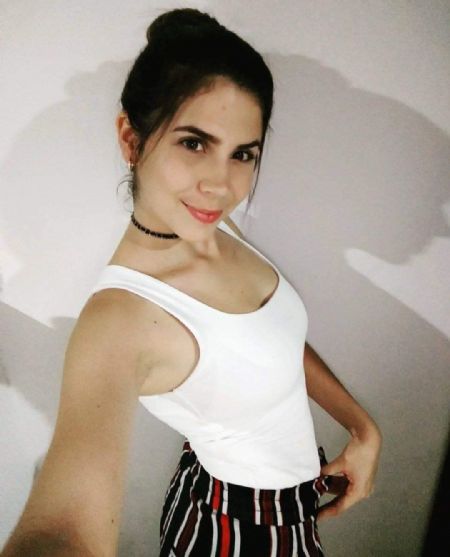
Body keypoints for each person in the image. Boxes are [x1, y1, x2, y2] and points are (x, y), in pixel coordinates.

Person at [1, 8, 382, 557]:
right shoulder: (120, 320)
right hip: (236, 533)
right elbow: (66, 529)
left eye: (242, 154)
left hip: (265, 498)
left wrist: (362, 427)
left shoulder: (211, 225)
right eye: (194, 143)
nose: (221, 185)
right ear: (131, 139)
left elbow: (271, 340)